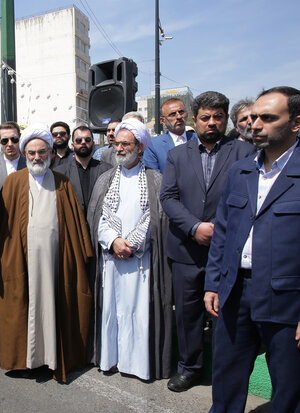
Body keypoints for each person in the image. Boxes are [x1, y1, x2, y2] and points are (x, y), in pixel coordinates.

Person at [204, 86, 300, 412]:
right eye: (254, 117)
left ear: (296, 123)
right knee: (227, 379)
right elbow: (223, 234)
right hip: (234, 292)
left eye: (268, 118)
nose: (255, 124)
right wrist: (213, 284)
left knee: (289, 386)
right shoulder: (240, 170)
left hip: (287, 297)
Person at [160, 91, 256, 392]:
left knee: (224, 314)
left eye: (217, 117)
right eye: (205, 117)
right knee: (188, 315)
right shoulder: (177, 155)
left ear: (226, 119)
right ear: (194, 119)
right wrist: (194, 227)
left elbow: (250, 197)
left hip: (227, 250)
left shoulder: (244, 152)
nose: (211, 123)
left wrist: (219, 228)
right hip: (186, 249)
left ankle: (223, 371)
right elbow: (169, 197)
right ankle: (190, 367)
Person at [0, 124, 93, 383]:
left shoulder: (62, 182)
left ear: (50, 151)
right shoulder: (13, 182)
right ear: (24, 154)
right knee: (24, 306)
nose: (37, 157)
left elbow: (74, 223)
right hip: (23, 261)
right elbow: (3, 227)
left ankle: (52, 357)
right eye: (31, 153)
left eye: (41, 152)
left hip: (55, 262)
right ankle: (27, 360)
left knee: (54, 304)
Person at [87, 118, 172, 380]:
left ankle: (136, 364)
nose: (120, 148)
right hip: (111, 259)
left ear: (140, 147)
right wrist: (113, 241)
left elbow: (156, 217)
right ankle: (110, 358)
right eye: (117, 143)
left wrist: (133, 242)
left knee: (137, 311)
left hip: (141, 261)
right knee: (112, 309)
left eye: (126, 144)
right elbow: (98, 216)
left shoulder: (156, 179)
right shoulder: (105, 179)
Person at [54, 124, 112, 215]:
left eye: (87, 139)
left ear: (93, 144)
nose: (83, 142)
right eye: (79, 140)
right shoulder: (60, 172)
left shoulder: (107, 170)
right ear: (73, 145)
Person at [144, 99, 198, 173]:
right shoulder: (153, 145)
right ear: (163, 121)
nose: (179, 117)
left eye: (181, 112)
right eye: (173, 114)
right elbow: (154, 179)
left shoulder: (199, 139)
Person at [0, 121, 26, 189]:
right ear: (0, 143)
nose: (10, 144)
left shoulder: (30, 165)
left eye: (14, 139)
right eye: (5, 140)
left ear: (20, 139)